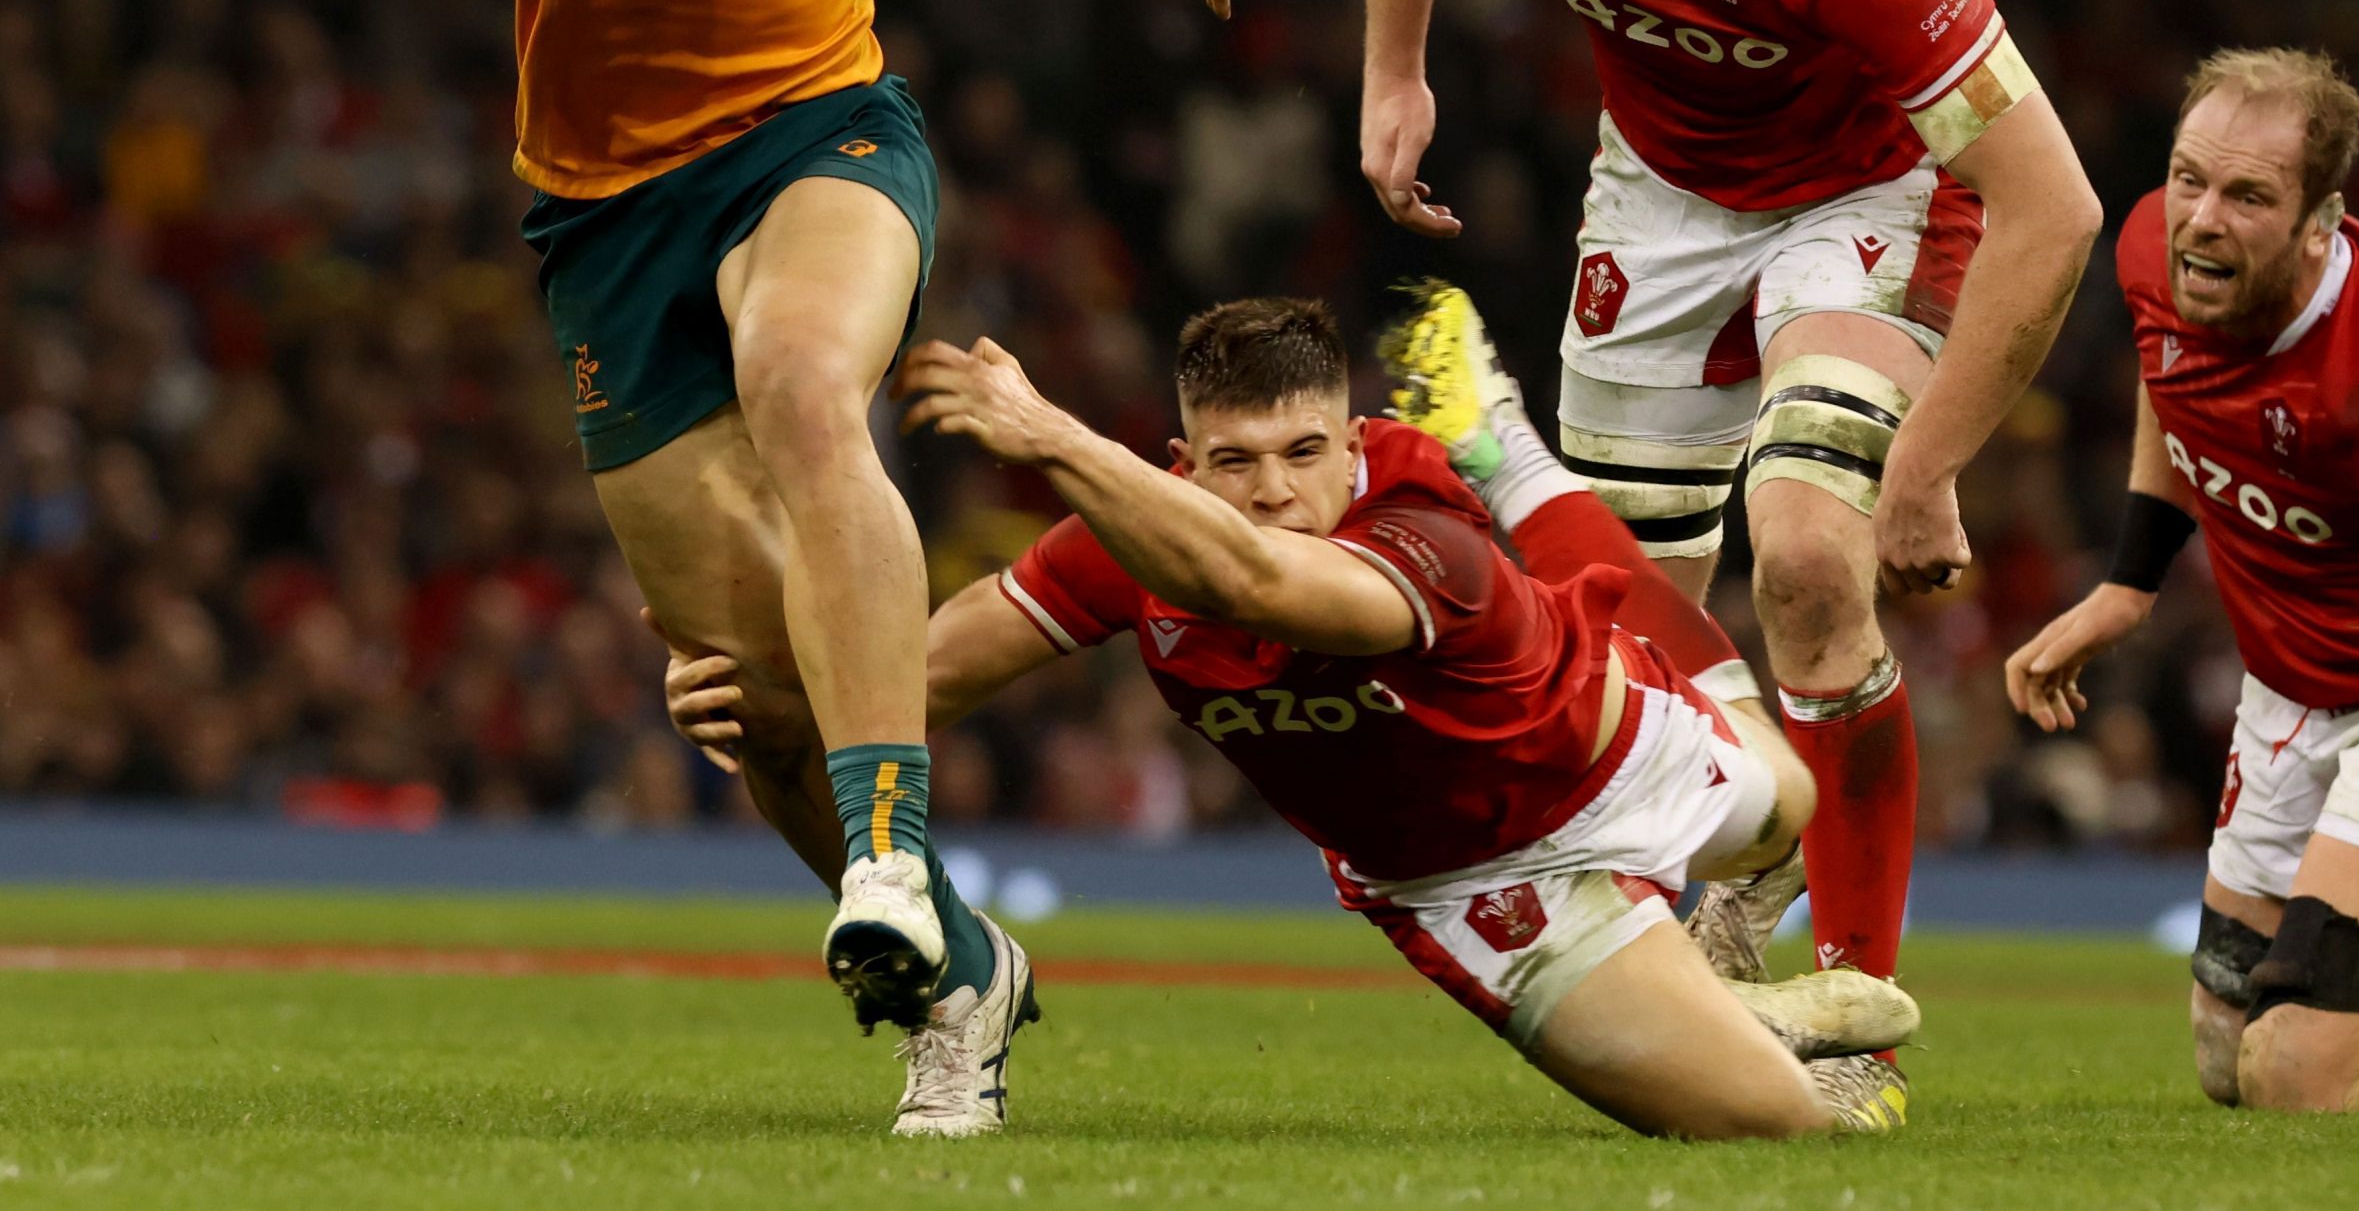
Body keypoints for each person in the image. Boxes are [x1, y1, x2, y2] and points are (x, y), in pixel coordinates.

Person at [340, 0, 1245, 1129]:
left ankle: (892, 869)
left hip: (819, 126)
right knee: (746, 704)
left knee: (808, 385)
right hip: (602, 210)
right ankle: (967, 970)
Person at [670, 288, 1918, 1138]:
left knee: (1787, 801)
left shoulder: (1422, 531)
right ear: (1182, 458)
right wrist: (773, 691)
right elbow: (918, 673)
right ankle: (1741, 1014)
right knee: (1781, 1124)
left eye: (1302, 453)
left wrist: (1047, 433)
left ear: (1357, 445)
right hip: (1472, 882)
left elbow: (1255, 581)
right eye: (1232, 462)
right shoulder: (1135, 532)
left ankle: (1509, 456)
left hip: (1625, 746)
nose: (1271, 491)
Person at [1355, 0, 2101, 997]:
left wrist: (1933, 462)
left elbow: (2054, 205)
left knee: (1812, 554)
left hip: (1867, 190)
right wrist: (1397, 65)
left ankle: (1857, 1005)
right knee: (1606, 622)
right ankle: (1717, 886)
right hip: (1659, 190)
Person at [2007, 49, 2359, 1118]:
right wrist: (2130, 577)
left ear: (2321, 220)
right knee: (2227, 1051)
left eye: (2248, 195)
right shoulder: (2154, 248)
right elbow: (2170, 381)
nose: (2200, 219)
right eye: (2188, 179)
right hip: (2285, 687)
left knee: (2304, 1066)